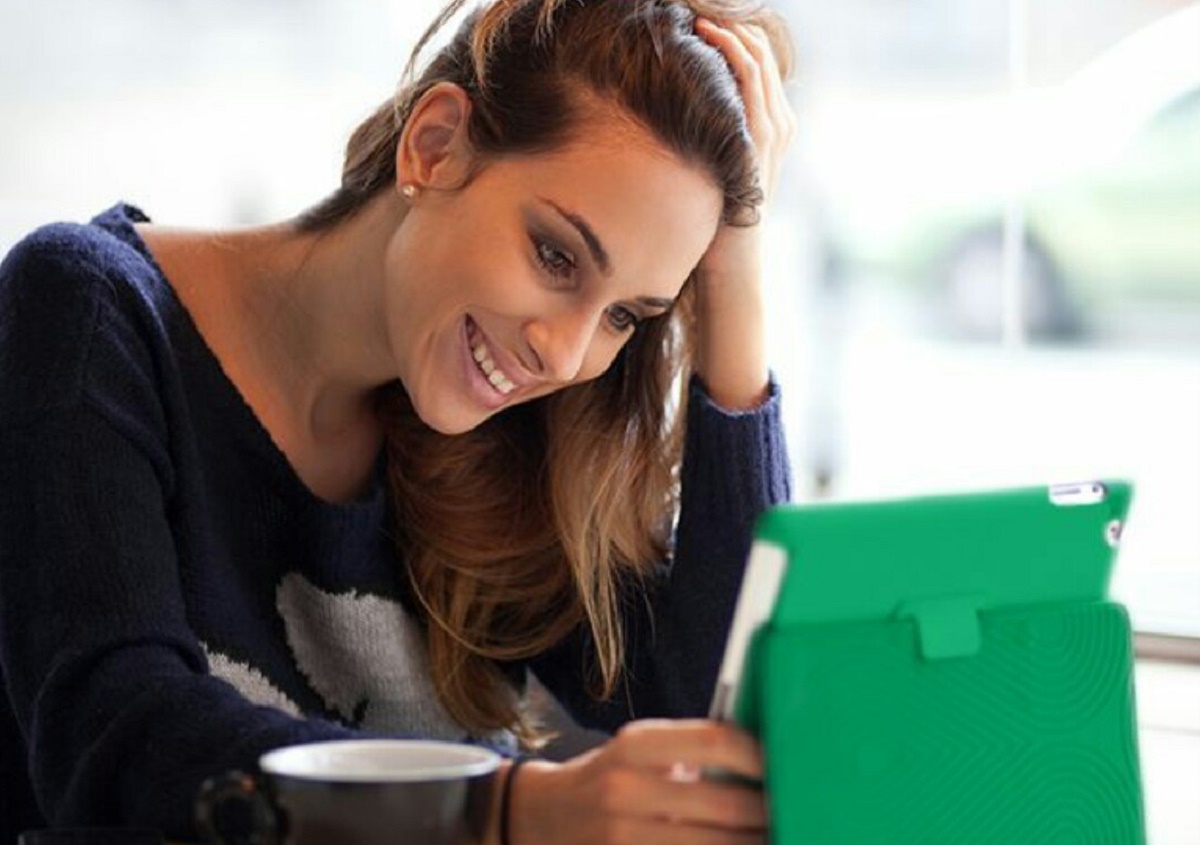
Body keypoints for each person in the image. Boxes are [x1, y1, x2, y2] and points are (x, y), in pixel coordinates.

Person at [0, 0, 795, 841]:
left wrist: (735, 273)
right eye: (555, 255)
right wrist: (502, 808)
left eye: (624, 315)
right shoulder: (88, 315)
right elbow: (118, 737)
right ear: (435, 146)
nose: (565, 356)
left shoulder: (502, 442)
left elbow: (715, 711)